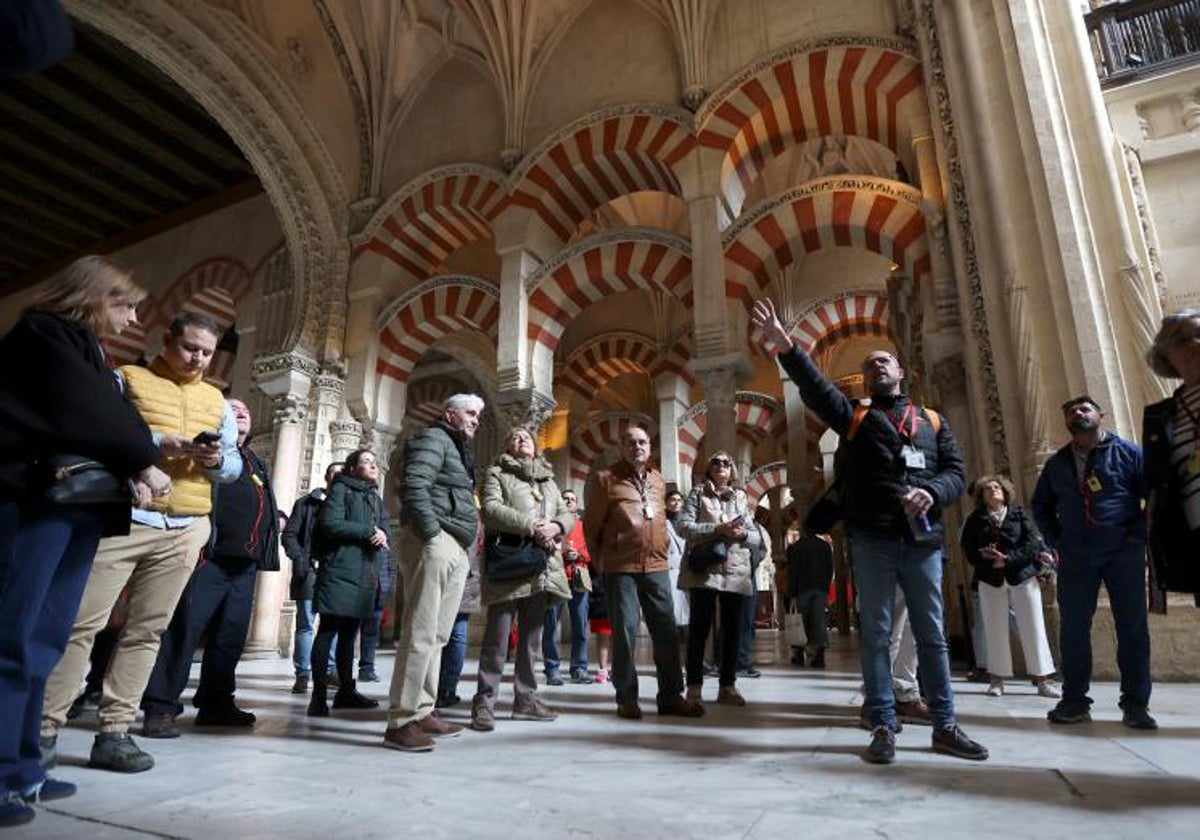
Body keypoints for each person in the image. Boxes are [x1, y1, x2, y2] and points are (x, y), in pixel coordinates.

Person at [751, 297, 986, 764]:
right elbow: (817, 389)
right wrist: (786, 348)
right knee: (876, 634)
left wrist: (933, 492)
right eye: (870, 364)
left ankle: (945, 725)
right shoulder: (856, 417)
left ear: (901, 372)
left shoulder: (932, 422)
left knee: (932, 636)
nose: (878, 366)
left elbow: (957, 474)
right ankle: (882, 722)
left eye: (885, 360)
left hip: (922, 542)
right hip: (873, 540)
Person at [0, 257, 166, 826]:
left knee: (45, 641)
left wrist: (134, 452)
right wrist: (143, 462)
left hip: (77, 506)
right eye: (127, 305)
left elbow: (119, 418)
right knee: (12, 640)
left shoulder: (89, 350)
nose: (133, 316)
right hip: (35, 500)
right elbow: (94, 413)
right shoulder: (43, 333)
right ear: (96, 297)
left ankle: (25, 770)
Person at [41, 310, 241, 775]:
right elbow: (93, 432)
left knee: (147, 631)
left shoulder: (216, 399)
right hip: (125, 517)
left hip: (186, 525)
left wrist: (213, 459)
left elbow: (231, 468)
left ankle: (115, 731)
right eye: (190, 347)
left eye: (207, 353)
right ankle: (44, 729)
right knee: (80, 624)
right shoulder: (125, 379)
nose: (198, 359)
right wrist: (152, 444)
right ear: (166, 341)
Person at [141, 398, 281, 736]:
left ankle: (216, 703)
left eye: (246, 411)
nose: (241, 414)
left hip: (244, 563)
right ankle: (160, 706)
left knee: (229, 636)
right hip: (209, 555)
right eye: (232, 410)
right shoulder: (206, 450)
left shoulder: (252, 460)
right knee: (184, 630)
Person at [1032, 396, 1155, 729]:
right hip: (1076, 556)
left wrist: (1136, 536)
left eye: (1083, 409)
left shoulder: (1128, 453)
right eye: (1070, 410)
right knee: (1073, 628)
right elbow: (1040, 506)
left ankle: (1135, 703)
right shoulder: (1058, 463)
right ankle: (1074, 700)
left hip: (1122, 554)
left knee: (1131, 627)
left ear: (1100, 415)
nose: (1076, 413)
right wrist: (1058, 540)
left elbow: (1153, 495)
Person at [582, 425, 704, 720]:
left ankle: (672, 696)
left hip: (657, 565)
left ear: (650, 447)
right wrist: (602, 564)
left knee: (665, 630)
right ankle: (626, 698)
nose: (638, 447)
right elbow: (591, 527)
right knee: (624, 631)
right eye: (631, 442)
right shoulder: (605, 479)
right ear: (621, 447)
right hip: (620, 566)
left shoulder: (658, 480)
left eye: (643, 442)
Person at [383, 394, 484, 752]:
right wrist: (431, 532)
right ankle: (401, 720)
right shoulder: (433, 438)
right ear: (450, 414)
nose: (475, 420)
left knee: (439, 634)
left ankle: (423, 710)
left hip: (455, 544)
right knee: (421, 631)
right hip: (436, 539)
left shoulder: (457, 448)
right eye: (470, 413)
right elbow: (415, 485)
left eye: (477, 415)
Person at [471, 427, 573, 731]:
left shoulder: (548, 480)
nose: (521, 439)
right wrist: (532, 526)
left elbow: (566, 514)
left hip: (541, 567)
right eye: (514, 436)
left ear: (535, 446)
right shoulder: (496, 474)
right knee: (497, 640)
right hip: (510, 564)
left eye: (526, 436)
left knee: (532, 640)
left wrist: (556, 526)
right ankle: (484, 703)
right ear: (507, 445)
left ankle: (526, 700)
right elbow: (490, 509)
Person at [307, 449, 392, 716]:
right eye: (366, 461)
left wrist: (381, 534)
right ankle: (318, 697)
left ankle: (346, 691)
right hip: (339, 570)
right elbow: (330, 524)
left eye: (374, 461)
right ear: (352, 468)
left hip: (365, 573)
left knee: (349, 635)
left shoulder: (375, 498)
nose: (373, 465)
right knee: (328, 631)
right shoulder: (340, 490)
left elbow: (386, 529)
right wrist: (368, 531)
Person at [960, 475, 1059, 699]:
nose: (993, 491)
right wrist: (985, 558)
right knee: (994, 629)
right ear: (981, 496)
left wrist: (1008, 558)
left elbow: (1032, 542)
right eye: (988, 489)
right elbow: (968, 547)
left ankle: (1043, 679)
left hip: (1021, 576)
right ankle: (997, 680)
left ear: (1005, 492)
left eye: (997, 487)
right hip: (989, 578)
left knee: (1033, 627)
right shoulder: (975, 519)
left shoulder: (1018, 514)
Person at [676, 451, 760, 706]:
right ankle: (693, 686)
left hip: (735, 570)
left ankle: (727, 686)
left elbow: (756, 537)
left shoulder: (741, 497)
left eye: (727, 462)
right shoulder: (698, 494)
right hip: (706, 569)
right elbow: (683, 527)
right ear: (709, 469)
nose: (722, 465)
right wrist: (717, 529)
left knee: (732, 630)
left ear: (732, 470)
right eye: (716, 462)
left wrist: (743, 533)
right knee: (700, 628)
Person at [1143, 310, 1200, 606]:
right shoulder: (1162, 416)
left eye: (1199, 334)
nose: (1195, 344)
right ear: (1167, 356)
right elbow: (1159, 482)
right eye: (1182, 340)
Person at [282, 463, 343, 694]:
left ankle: (328, 671)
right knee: (306, 624)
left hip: (336, 574)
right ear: (327, 476)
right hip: (310, 571)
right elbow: (289, 535)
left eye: (342, 472)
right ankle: (302, 674)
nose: (337, 476)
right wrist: (300, 559)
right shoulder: (305, 503)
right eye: (333, 472)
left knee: (331, 626)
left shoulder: (348, 504)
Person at [543, 489, 594, 686]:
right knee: (551, 626)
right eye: (566, 499)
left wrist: (579, 555)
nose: (570, 502)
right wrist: (564, 553)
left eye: (573, 499)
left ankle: (579, 668)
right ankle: (552, 669)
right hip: (556, 578)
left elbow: (591, 554)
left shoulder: (583, 526)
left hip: (578, 579)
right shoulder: (553, 526)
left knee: (580, 626)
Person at [785, 531, 833, 668]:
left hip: (802, 589)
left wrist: (792, 591)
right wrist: (826, 588)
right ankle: (820, 656)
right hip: (820, 589)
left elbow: (793, 571)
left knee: (800, 622)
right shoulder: (824, 546)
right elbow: (830, 568)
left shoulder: (796, 547)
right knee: (819, 622)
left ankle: (799, 655)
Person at [664, 489, 690, 633]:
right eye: (672, 500)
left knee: (686, 609)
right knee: (672, 609)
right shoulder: (661, 522)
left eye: (679, 500)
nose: (676, 503)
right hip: (669, 568)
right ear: (666, 503)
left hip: (686, 568)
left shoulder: (687, 522)